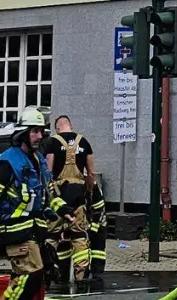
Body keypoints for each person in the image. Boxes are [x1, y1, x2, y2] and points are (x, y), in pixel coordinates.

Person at [0, 108, 69, 300]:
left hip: (35, 231)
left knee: (33, 277)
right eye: (34, 131)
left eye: (41, 131)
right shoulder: (7, 162)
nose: (39, 136)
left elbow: (49, 192)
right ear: (23, 133)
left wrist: (63, 209)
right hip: (16, 231)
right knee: (31, 276)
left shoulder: (38, 161)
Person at [45, 116, 107, 292]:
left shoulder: (52, 143)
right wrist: (88, 192)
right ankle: (81, 276)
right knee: (79, 235)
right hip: (78, 194)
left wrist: (50, 194)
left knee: (52, 234)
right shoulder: (84, 142)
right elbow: (91, 172)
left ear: (58, 128)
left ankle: (49, 271)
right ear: (70, 126)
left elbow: (48, 171)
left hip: (58, 194)